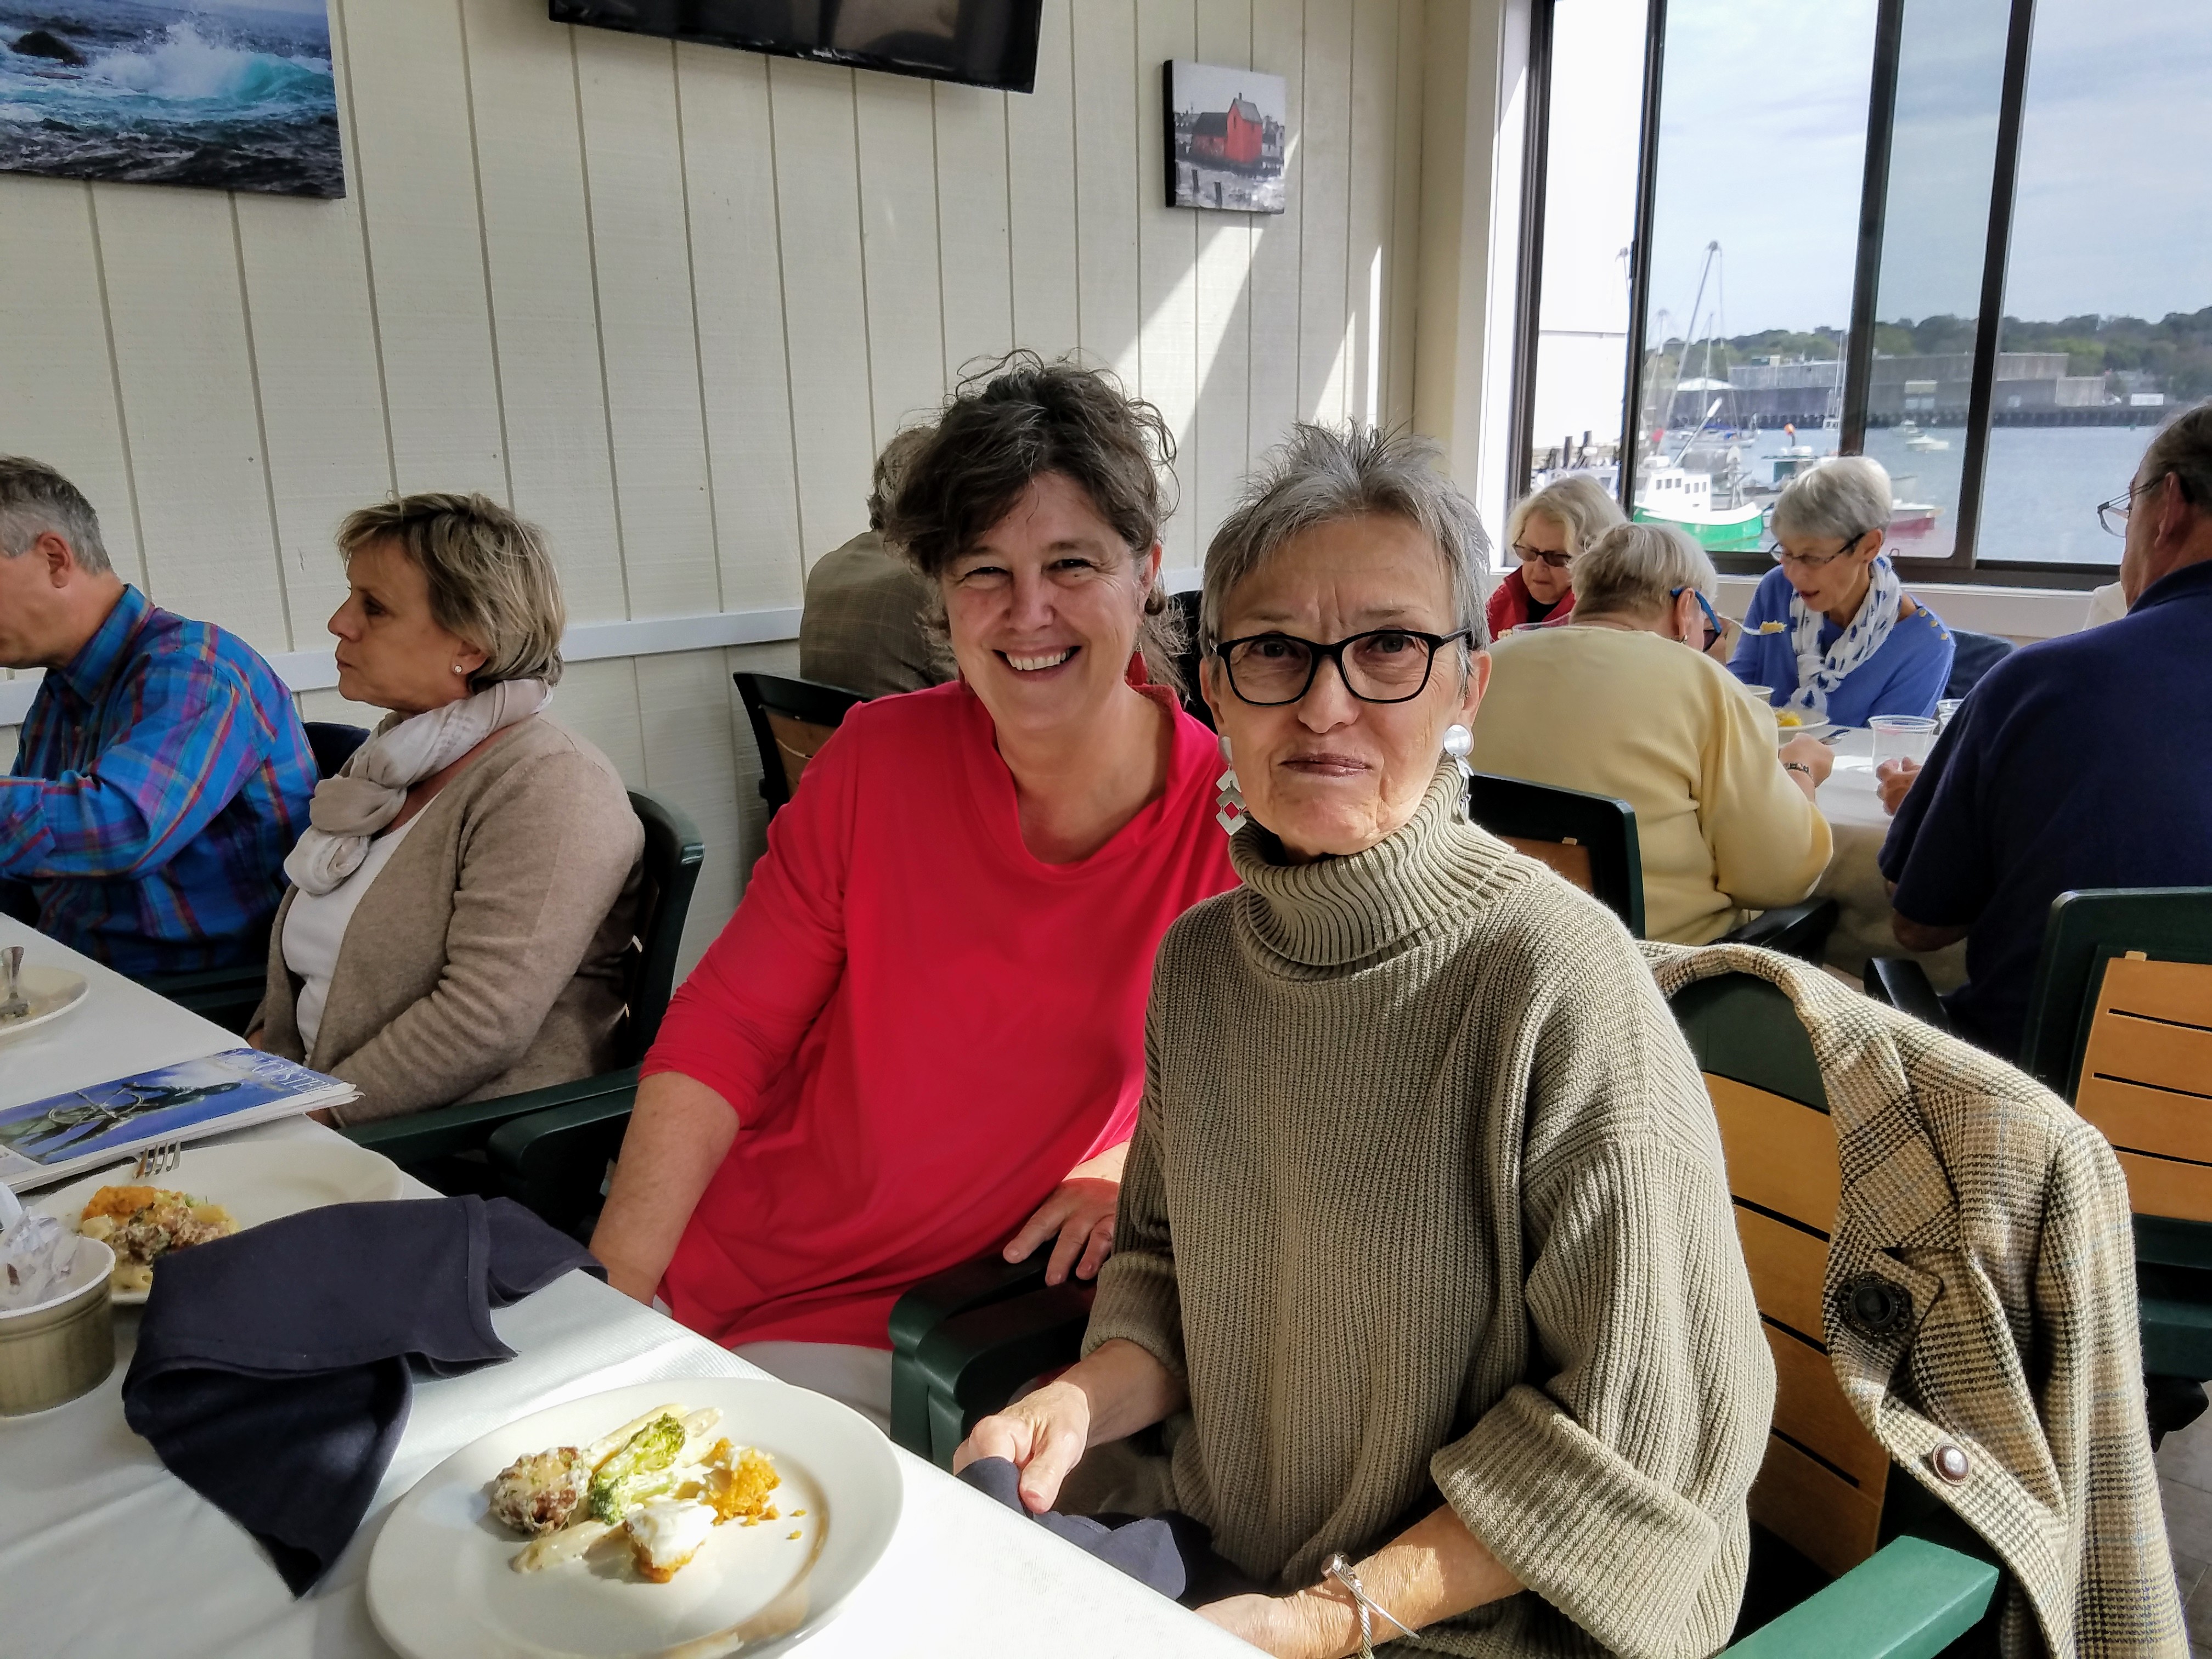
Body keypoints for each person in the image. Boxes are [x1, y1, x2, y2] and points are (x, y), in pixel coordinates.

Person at [957, 426, 1771, 1656]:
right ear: (1215, 684)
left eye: (1389, 646)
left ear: (1465, 688)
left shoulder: (1555, 978)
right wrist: (1076, 1399)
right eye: (1274, 649)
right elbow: (1171, 1274)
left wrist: (1323, 1620)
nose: (1325, 703)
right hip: (1231, 1555)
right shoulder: (1203, 964)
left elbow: (1637, 1431)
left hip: (1460, 1622)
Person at [587, 356, 1239, 1429]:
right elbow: (727, 1030)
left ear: (1146, 574)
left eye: (1071, 563)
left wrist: (1130, 1162)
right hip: (737, 1257)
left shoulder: (1232, 826)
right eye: (983, 570)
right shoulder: (875, 759)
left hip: (938, 1337)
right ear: (940, 593)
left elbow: (1258, 1104)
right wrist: (613, 1298)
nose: (1028, 611)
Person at [249, 494, 642, 1124]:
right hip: (321, 1103)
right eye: (351, 597)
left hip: (448, 1144)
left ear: (472, 646)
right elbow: (312, 969)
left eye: (374, 607)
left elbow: (481, 1023)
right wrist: (249, 1074)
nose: (339, 622)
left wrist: (306, 1119)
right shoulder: (391, 759)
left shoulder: (553, 784)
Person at [1877, 404, 2212, 1059]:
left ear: (2168, 506)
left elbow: (1918, 924)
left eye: (2129, 508)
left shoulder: (2044, 684)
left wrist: (1959, 812)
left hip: (2035, 1099)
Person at [0, 456, 314, 975]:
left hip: (200, 995)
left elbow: (125, 827)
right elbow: (24, 869)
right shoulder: (65, 686)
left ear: (55, 559)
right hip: (80, 974)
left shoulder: (196, 669)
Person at [1470, 523, 1833, 944]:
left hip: (1488, 949)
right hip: (1655, 969)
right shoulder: (1706, 686)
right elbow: (1777, 879)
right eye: (1706, 621)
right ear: (1686, 607)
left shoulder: (1487, 667)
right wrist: (1800, 770)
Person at [1729, 456, 1954, 725]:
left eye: (1813, 558)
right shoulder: (1776, 590)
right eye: (1786, 553)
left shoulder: (1925, 646)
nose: (1794, 574)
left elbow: (1886, 749)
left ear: (1869, 547)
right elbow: (1734, 697)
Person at [798, 426, 953, 698]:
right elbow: (979, 691)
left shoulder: (824, 568)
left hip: (824, 726)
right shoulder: (923, 577)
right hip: (902, 725)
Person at [1485, 473, 1620, 639]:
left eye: (1556, 558)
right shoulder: (1504, 602)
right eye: (1529, 552)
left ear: (1594, 558)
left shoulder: (1604, 620)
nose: (1538, 568)